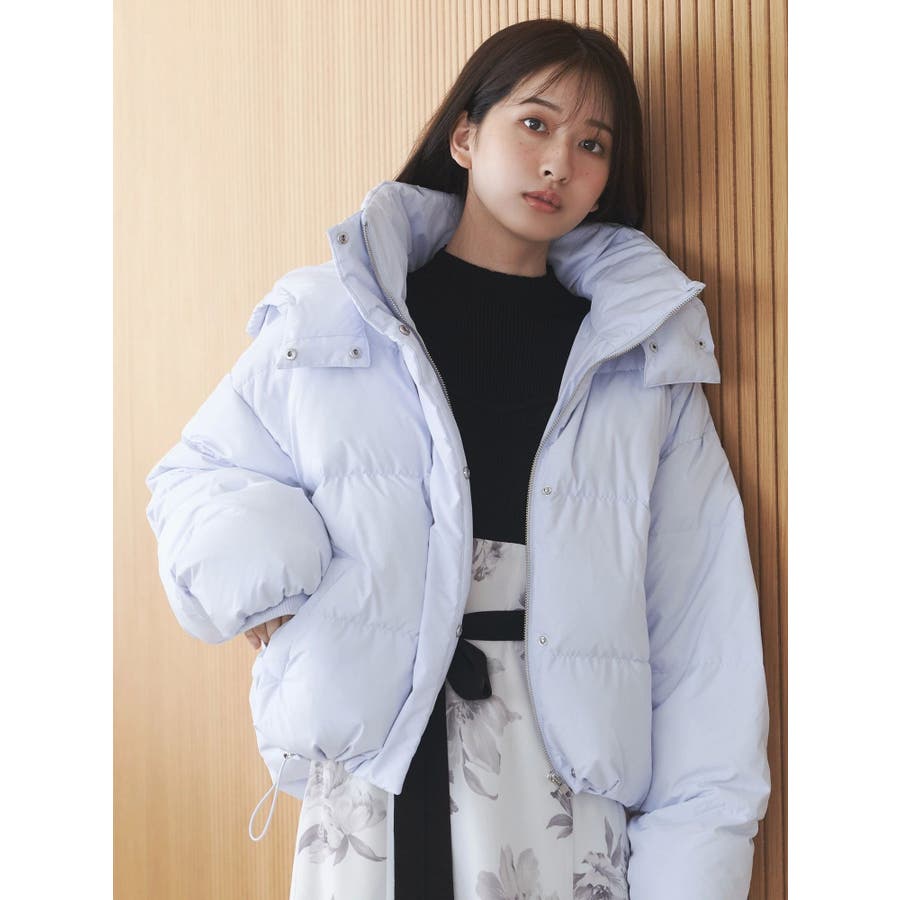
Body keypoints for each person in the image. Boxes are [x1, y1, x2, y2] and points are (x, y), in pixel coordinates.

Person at [145, 18, 770, 900]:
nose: (559, 163)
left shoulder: (641, 360)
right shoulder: (340, 314)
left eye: (592, 144)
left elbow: (703, 634)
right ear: (466, 137)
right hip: (380, 759)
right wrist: (269, 570)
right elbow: (193, 476)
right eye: (535, 124)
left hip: (560, 781)